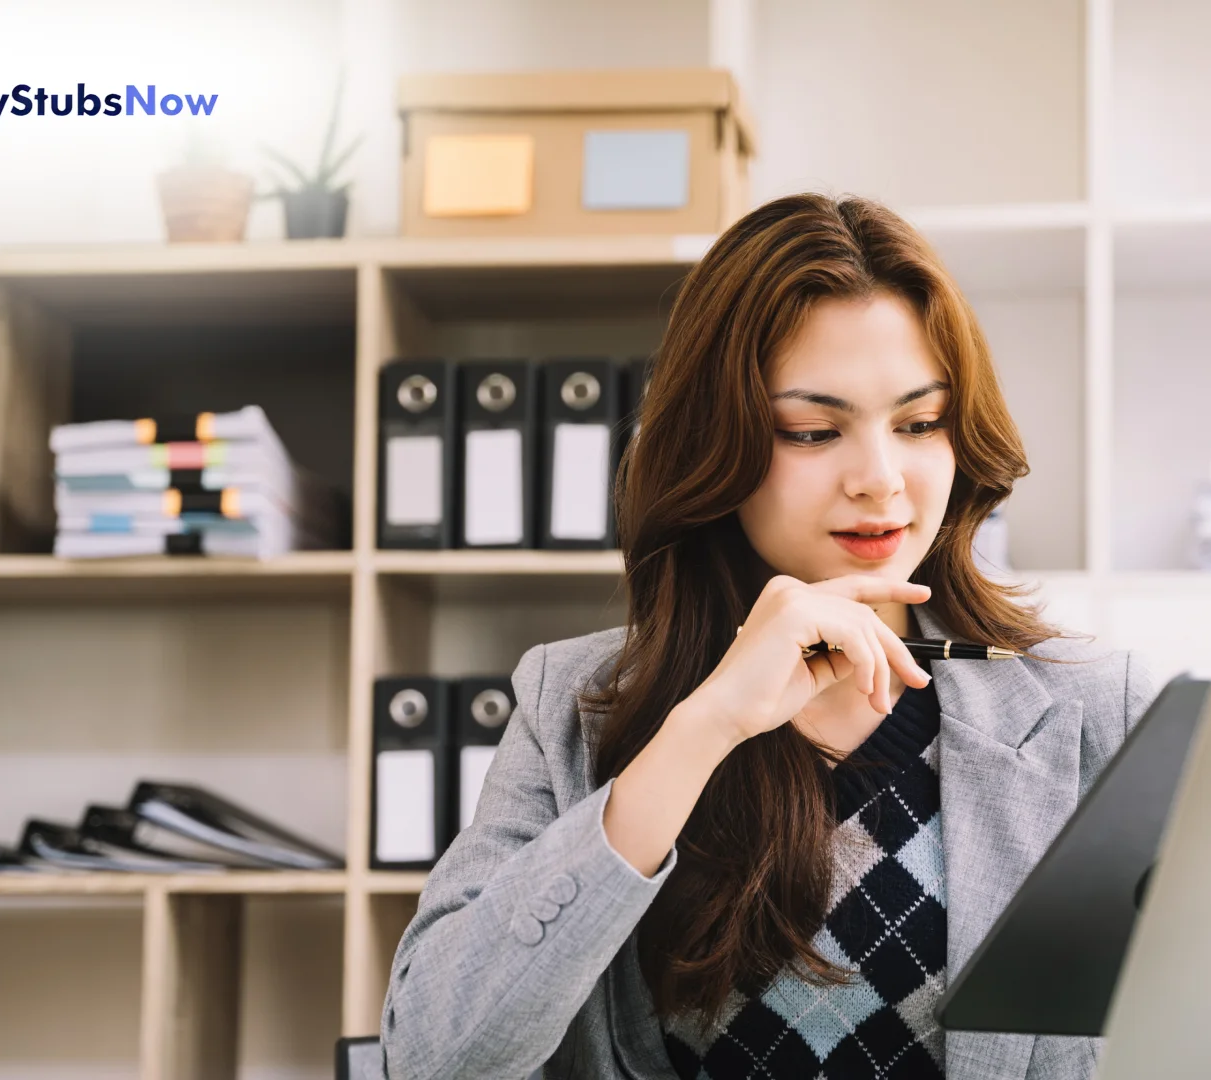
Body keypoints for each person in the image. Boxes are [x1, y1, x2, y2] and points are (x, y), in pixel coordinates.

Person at [381, 193, 1155, 1079]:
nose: (879, 479)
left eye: (919, 423)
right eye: (813, 431)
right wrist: (701, 731)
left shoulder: (1093, 706)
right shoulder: (572, 704)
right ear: (719, 446)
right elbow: (433, 1058)